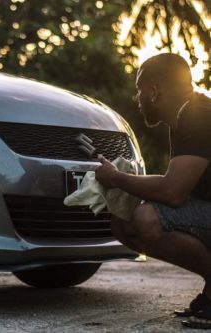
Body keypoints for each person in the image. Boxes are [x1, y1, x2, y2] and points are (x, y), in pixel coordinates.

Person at [95, 53, 211, 329]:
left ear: (154, 92)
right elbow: (179, 184)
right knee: (123, 222)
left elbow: (173, 192)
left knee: (146, 219)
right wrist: (127, 181)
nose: (137, 98)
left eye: (139, 90)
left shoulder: (199, 116)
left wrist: (117, 178)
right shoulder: (188, 115)